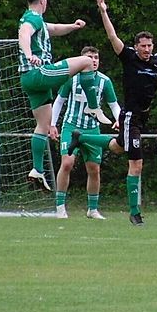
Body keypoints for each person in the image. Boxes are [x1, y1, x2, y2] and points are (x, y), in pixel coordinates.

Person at [69, 0, 157, 226]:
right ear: (136, 46)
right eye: (143, 46)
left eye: (150, 45)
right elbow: (112, 36)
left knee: (118, 147)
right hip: (130, 116)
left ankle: (82, 137)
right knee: (136, 163)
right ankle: (134, 211)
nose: (147, 49)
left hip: (144, 115)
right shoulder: (129, 57)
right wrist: (103, 12)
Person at [18, 0, 109, 193]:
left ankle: (37, 170)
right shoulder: (32, 19)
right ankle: (94, 108)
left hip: (29, 81)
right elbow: (24, 34)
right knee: (87, 61)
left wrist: (74, 26)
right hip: (39, 73)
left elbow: (54, 29)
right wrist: (29, 54)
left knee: (43, 124)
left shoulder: (35, 19)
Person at [49, 46, 120, 220]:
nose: (93, 60)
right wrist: (52, 124)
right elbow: (59, 101)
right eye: (89, 57)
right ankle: (60, 207)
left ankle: (92, 209)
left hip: (92, 129)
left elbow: (113, 104)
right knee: (67, 163)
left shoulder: (104, 81)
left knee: (94, 169)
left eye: (96, 57)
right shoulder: (71, 79)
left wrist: (119, 119)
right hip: (71, 126)